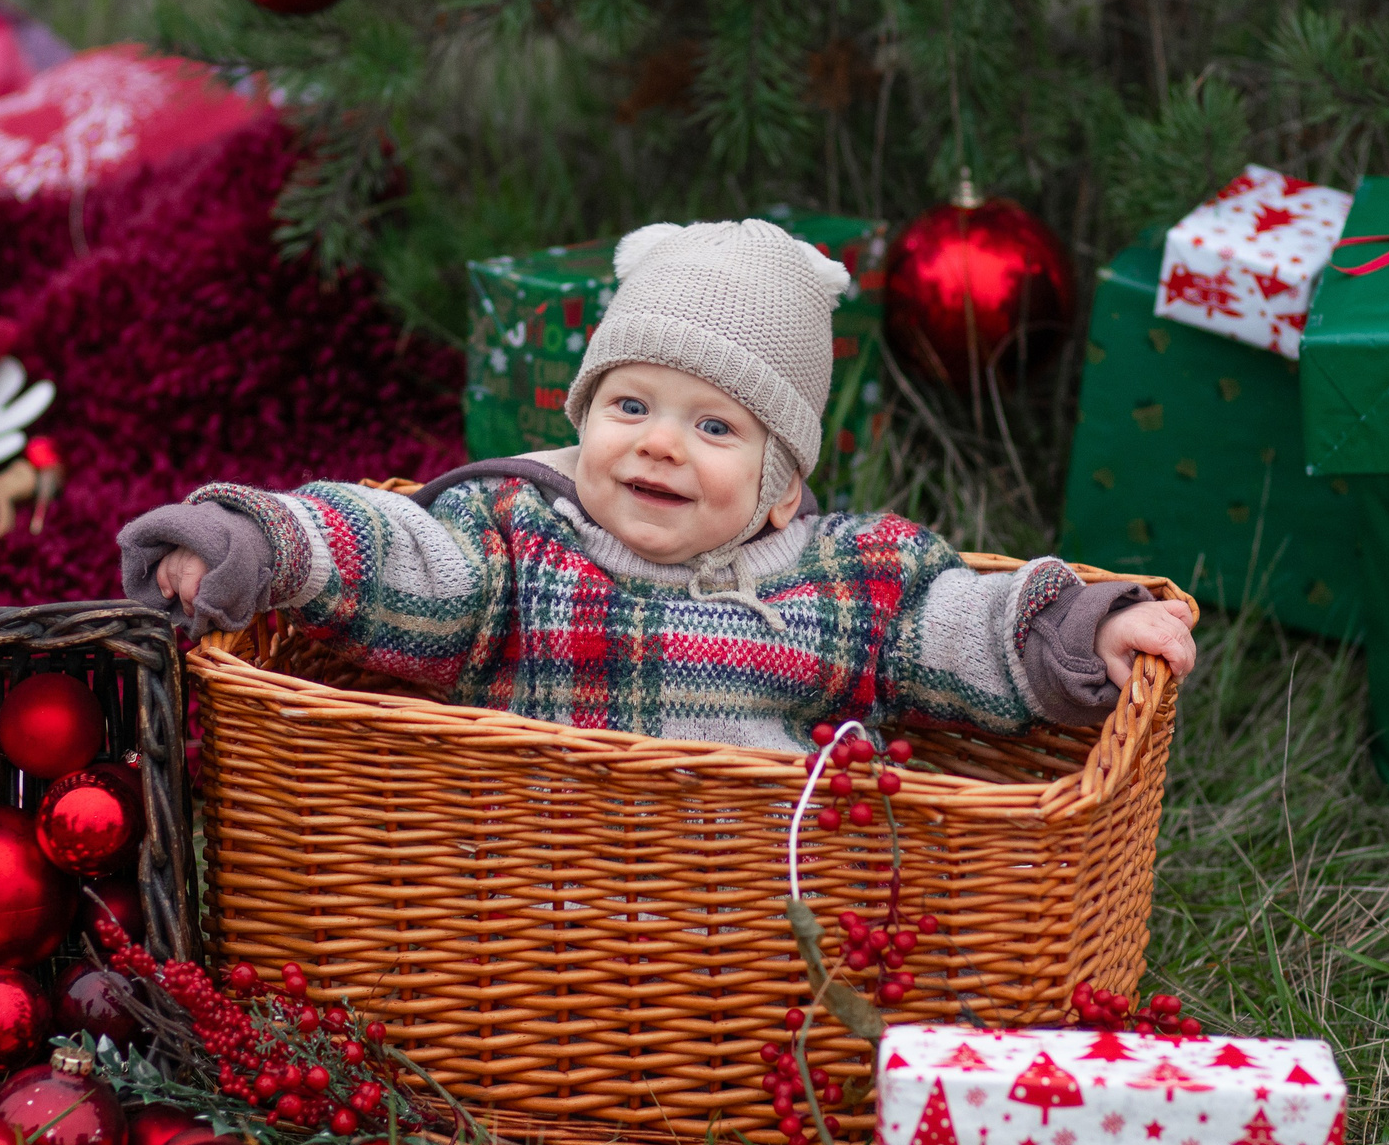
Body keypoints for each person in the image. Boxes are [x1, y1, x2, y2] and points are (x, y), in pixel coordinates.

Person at [119, 218, 1196, 752]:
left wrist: (1078, 633)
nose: (661, 446)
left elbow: (963, 620)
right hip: (533, 908)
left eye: (715, 426)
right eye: (630, 408)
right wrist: (258, 544)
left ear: (780, 484)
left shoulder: (844, 582)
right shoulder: (515, 551)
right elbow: (392, 552)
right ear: (583, 421)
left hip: (752, 924)